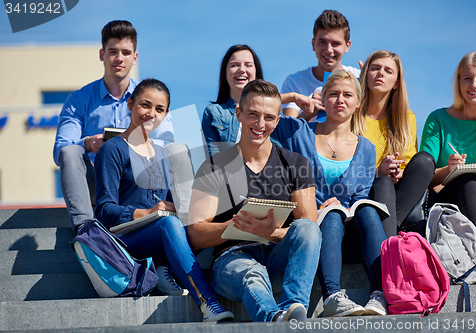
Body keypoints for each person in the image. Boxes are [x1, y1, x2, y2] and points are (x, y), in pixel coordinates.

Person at [94, 78, 233, 322]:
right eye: (145, 105)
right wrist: (148, 212)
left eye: (159, 109)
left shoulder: (163, 154)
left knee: (197, 223)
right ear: (130, 104)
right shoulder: (112, 149)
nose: (151, 114)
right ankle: (207, 302)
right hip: (125, 241)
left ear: (165, 115)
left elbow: (171, 204)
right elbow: (104, 211)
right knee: (169, 225)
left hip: (161, 235)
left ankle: (165, 268)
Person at [188, 79, 321, 322]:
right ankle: (277, 320)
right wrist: (239, 227)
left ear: (278, 120)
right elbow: (195, 234)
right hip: (232, 261)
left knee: (309, 228)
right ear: (238, 114)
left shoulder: (296, 164)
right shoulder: (214, 167)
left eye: (269, 117)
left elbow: (308, 229)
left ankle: (294, 307)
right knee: (252, 272)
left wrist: (268, 233)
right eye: (253, 114)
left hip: (278, 258)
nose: (260, 124)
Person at [271, 70, 388, 316]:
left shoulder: (367, 148)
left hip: (350, 234)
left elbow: (358, 197)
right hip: (313, 229)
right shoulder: (299, 132)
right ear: (322, 100)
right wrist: (292, 97)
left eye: (347, 95)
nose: (340, 100)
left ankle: (380, 294)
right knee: (331, 214)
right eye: (333, 94)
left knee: (365, 208)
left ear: (358, 104)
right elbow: (255, 108)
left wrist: (346, 207)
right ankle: (333, 296)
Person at [53, 20, 174, 234]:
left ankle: (186, 221)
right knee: (70, 151)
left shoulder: (151, 97)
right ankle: (86, 229)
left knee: (175, 151)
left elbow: (167, 144)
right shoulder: (78, 99)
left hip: (138, 186)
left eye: (126, 52)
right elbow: (59, 150)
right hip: (98, 184)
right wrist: (89, 143)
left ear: (135, 58)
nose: (119, 58)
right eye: (113, 51)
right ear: (102, 54)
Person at [420, 51, 476, 263]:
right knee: (468, 179)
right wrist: (448, 169)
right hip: (452, 207)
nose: (474, 85)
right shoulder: (438, 119)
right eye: (467, 78)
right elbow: (424, 179)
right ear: (458, 82)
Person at [352, 50, 435, 237]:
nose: (380, 73)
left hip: (399, 195)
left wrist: (398, 171)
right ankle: (391, 238)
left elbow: (409, 164)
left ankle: (392, 226)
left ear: (397, 83)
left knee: (424, 160)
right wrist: (377, 171)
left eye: (388, 70)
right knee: (383, 183)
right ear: (365, 75)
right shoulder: (351, 116)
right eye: (375, 68)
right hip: (366, 191)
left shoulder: (406, 117)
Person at [202, 44, 321, 157]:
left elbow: (289, 139)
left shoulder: (273, 112)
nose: (242, 69)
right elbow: (214, 161)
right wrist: (291, 96)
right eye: (234, 65)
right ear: (225, 73)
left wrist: (306, 110)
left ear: (256, 73)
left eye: (248, 65)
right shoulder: (214, 113)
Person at [281, 10, 361, 121]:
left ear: (347, 46)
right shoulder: (294, 82)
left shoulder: (360, 78)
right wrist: (308, 112)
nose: (328, 50)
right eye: (322, 42)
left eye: (335, 43)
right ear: (313, 44)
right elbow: (287, 131)